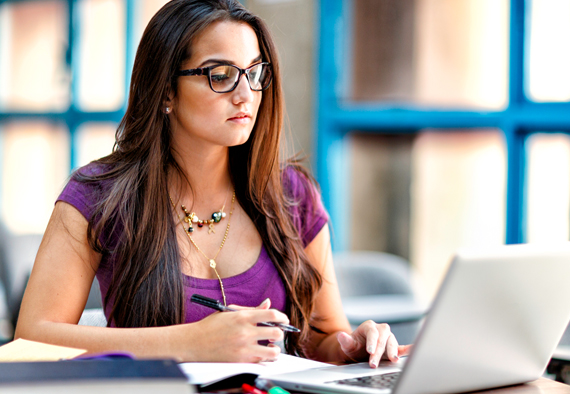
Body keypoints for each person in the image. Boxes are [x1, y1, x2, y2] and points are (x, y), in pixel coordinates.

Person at [14, 0, 409, 366]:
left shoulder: (292, 194)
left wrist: (353, 346)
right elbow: (31, 340)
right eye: (221, 76)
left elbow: (325, 336)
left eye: (255, 73)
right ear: (166, 90)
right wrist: (191, 342)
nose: (246, 95)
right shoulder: (99, 196)